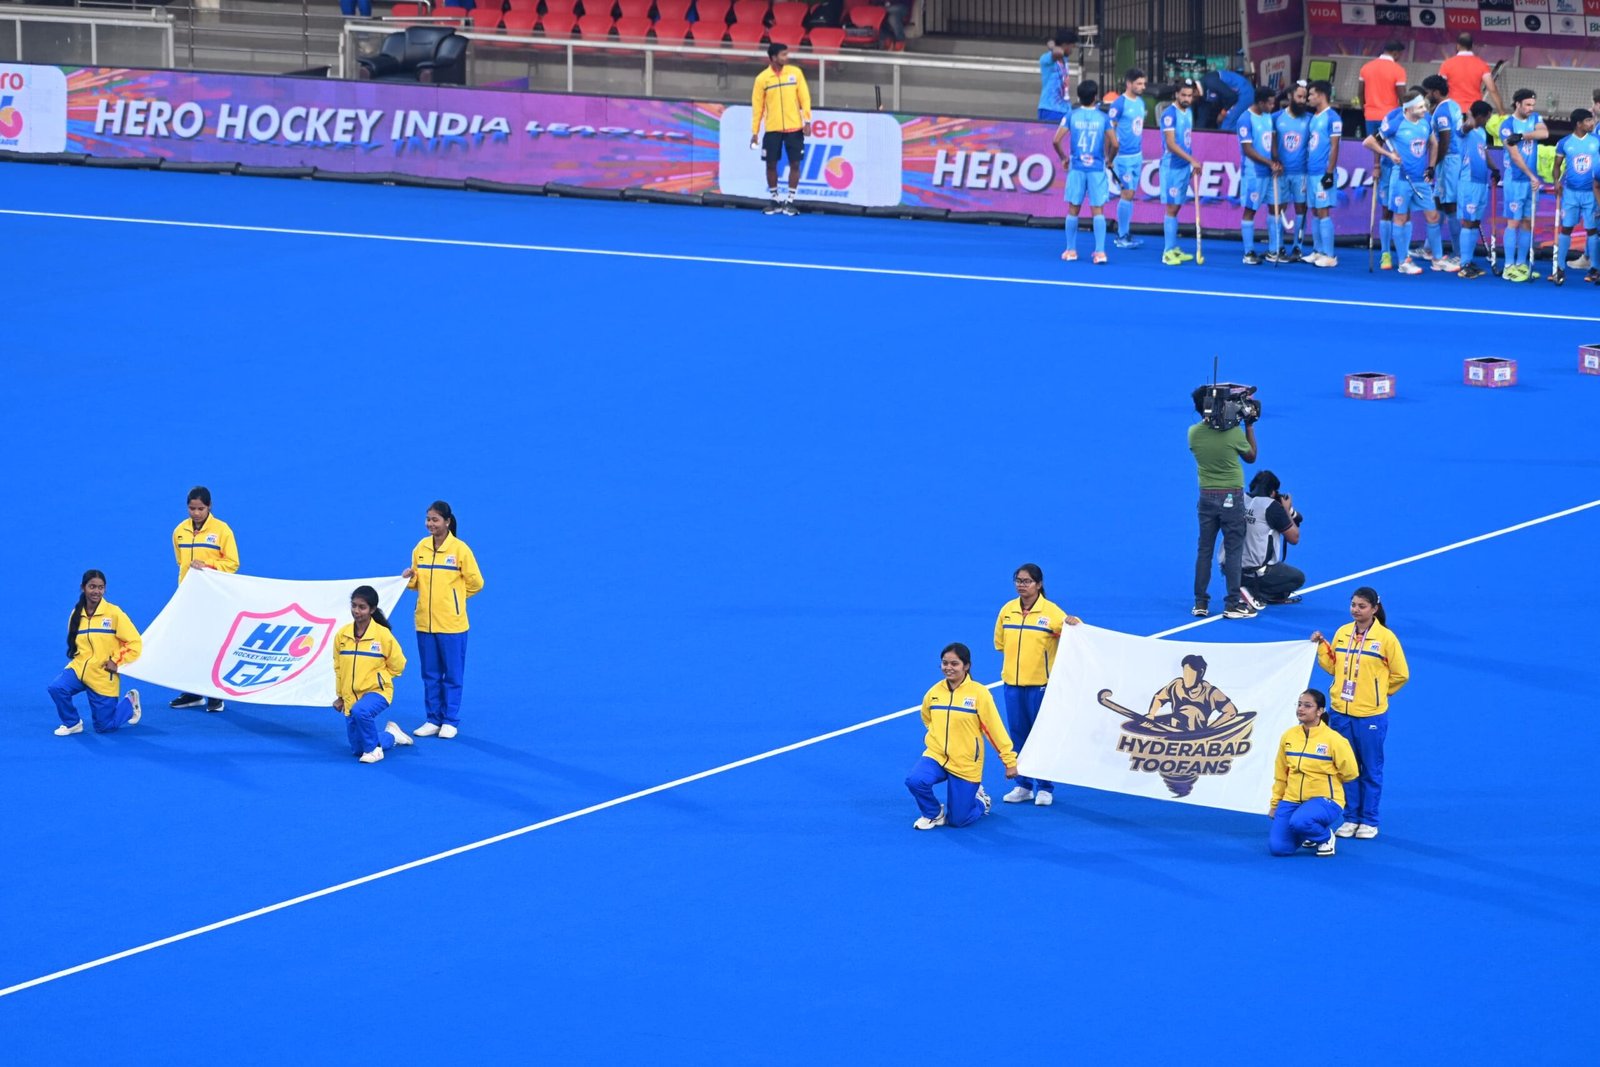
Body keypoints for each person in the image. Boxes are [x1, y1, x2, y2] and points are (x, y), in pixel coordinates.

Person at [1310, 586, 1409, 839]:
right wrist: (1321, 646)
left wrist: (1377, 694)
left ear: (1374, 609)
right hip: (1340, 713)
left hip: (1370, 716)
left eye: (1362, 606)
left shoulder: (1386, 638)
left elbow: (1401, 674)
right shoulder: (1343, 632)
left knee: (1371, 769)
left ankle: (1369, 820)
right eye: (1353, 605)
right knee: (1347, 768)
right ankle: (1351, 818)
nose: (1356, 610)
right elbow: (1332, 666)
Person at [993, 564, 1080, 807]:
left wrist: (1074, 622)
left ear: (1039, 584)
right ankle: (1023, 785)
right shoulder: (1007, 611)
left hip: (1040, 687)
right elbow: (1000, 643)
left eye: (1027, 581)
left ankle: (1045, 787)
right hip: (1012, 686)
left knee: (1042, 735)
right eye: (1018, 581)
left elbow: (1076, 633)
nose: (1022, 585)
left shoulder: (1051, 612)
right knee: (1018, 735)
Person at [905, 643, 1017, 830]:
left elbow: (994, 729)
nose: (948, 667)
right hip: (937, 755)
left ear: (966, 666)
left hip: (966, 762)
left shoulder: (979, 694)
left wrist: (1009, 761)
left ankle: (980, 801)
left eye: (954, 663)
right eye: (945, 663)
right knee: (915, 780)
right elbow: (927, 717)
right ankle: (933, 814)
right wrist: (938, 736)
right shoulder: (934, 693)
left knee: (958, 820)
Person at [402, 500, 484, 739]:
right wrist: (409, 577)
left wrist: (455, 599)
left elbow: (477, 583)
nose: (430, 524)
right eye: (428, 519)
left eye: (435, 520)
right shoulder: (421, 547)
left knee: (453, 674)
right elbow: (416, 583)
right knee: (430, 674)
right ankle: (433, 719)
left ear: (447, 521)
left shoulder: (460, 550)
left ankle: (450, 720)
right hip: (425, 623)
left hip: (452, 625)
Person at [1364, 92, 1456, 276]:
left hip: (1421, 180)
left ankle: (1437, 259)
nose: (1424, 109)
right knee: (1400, 218)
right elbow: (1369, 142)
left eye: (1424, 106)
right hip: (1401, 180)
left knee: (1433, 217)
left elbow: (1434, 143)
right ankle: (1403, 261)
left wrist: (1431, 167)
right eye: (1420, 107)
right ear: (1408, 108)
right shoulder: (1396, 123)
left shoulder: (1426, 121)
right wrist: (1389, 155)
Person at [1188, 384, 1257, 619]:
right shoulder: (1234, 434)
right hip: (1232, 497)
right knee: (1234, 551)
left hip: (1206, 497)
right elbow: (1251, 456)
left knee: (1204, 550)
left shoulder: (1193, 433)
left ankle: (1200, 603)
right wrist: (1249, 425)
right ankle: (1232, 604)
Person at [169, 485, 240, 713]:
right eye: (192, 508)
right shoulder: (179, 531)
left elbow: (232, 563)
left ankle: (215, 695)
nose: (196, 513)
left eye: (200, 508)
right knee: (190, 644)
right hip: (188, 597)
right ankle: (194, 692)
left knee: (213, 644)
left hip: (213, 599)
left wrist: (207, 565)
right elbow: (180, 561)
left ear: (209, 507)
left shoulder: (222, 531)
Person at [48, 569, 143, 736]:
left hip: (102, 675)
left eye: (101, 587)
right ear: (83, 587)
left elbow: (134, 642)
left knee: (104, 727)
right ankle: (73, 723)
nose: (96, 591)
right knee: (57, 688)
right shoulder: (76, 614)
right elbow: (74, 642)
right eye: (92, 586)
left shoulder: (114, 613)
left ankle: (130, 702)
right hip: (79, 669)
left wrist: (116, 661)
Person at [1268, 689, 1358, 857]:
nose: (1301, 709)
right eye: (1299, 704)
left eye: (1307, 706)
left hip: (1326, 800)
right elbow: (1281, 774)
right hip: (1292, 799)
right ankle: (1308, 831)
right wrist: (1275, 804)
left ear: (1320, 711)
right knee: (1279, 848)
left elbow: (1351, 773)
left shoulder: (1334, 740)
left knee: (1301, 821)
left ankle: (1325, 837)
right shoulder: (1289, 736)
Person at [333, 585, 412, 763]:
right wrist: (340, 696)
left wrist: (380, 679)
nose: (356, 611)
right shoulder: (342, 635)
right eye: (354, 606)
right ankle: (392, 735)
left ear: (372, 609)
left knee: (361, 711)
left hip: (378, 692)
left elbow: (398, 665)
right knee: (357, 749)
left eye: (362, 607)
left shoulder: (382, 635)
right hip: (351, 698)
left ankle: (374, 750)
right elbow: (338, 668)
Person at [749, 42, 812, 217]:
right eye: (783, 55)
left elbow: (805, 98)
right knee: (770, 164)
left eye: (787, 54)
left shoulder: (795, 73)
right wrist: (755, 132)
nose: (787, 57)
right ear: (773, 57)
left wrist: (807, 121)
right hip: (772, 129)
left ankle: (790, 201)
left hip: (794, 128)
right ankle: (775, 199)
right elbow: (758, 108)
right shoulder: (762, 79)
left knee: (795, 164)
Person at [1360, 41, 1407, 269]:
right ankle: (1392, 253)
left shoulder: (1366, 67)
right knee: (1396, 207)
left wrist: (1368, 108)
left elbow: (1360, 95)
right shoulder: (1398, 70)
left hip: (1370, 115)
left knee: (1376, 147)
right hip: (1390, 118)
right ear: (1396, 52)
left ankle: (1388, 254)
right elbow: (1403, 100)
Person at [1227, 470, 1304, 610]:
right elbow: (1294, 538)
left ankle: (1242, 585)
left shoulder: (1239, 499)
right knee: (1298, 578)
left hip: (1230, 565)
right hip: (1255, 570)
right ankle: (1253, 592)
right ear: (1273, 492)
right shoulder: (1271, 507)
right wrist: (1286, 510)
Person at [1055, 80, 1112, 264]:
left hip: (1077, 168)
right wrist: (1110, 159)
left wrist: (1064, 158)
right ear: (1095, 97)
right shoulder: (1103, 118)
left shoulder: (1071, 116)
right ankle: (1100, 252)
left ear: (1079, 97)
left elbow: (1056, 140)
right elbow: (1115, 143)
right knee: (1098, 210)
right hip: (1096, 169)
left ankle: (1071, 250)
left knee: (1073, 209)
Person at [1499, 88, 1550, 283]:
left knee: (1527, 222)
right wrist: (1531, 176)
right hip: (1516, 180)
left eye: (1532, 105)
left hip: (1530, 181)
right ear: (1517, 104)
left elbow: (1544, 133)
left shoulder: (1535, 118)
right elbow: (1515, 156)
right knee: (1513, 222)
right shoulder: (1506, 126)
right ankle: (1508, 267)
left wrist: (1521, 136)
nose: (1531, 108)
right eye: (1527, 105)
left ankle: (1521, 264)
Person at [1550, 109, 1599, 287]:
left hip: (1591, 193)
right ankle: (1560, 267)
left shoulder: (1597, 140)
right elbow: (1557, 166)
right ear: (1579, 124)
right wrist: (1556, 181)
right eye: (1588, 121)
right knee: (1566, 229)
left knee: (1592, 230)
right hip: (1570, 193)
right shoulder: (1564, 143)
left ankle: (1595, 268)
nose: (1591, 123)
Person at [1235, 85, 1282, 266]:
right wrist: (1269, 163)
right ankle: (1248, 252)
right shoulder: (1245, 120)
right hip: (1254, 173)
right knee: (1250, 210)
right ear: (1260, 102)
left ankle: (1274, 250)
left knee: (1274, 208)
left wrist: (1277, 161)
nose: (1272, 106)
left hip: (1269, 173)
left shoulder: (1268, 116)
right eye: (1269, 103)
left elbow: (1272, 141)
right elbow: (1248, 150)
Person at [1424, 75, 1465, 264]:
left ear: (1435, 92)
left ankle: (1459, 254)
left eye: (1428, 92)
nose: (1426, 96)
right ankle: (1429, 248)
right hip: (1450, 160)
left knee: (1449, 205)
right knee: (1439, 202)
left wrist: (1433, 165)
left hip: (1448, 161)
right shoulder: (1453, 105)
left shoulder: (1441, 112)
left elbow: (1445, 140)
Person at [1159, 79, 1201, 266]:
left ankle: (1173, 247)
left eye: (1189, 95)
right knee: (1171, 208)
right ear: (1176, 94)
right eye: (1183, 95)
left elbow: (1187, 141)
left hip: (1184, 167)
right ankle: (1167, 252)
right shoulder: (1169, 114)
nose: (1186, 99)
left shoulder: (1188, 112)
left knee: (1176, 208)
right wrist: (1192, 160)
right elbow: (1171, 144)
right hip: (1172, 168)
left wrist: (1191, 163)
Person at [1455, 101, 1497, 280]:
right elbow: (1465, 128)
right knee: (1467, 222)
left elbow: (1484, 154)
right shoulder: (1464, 129)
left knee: (1474, 222)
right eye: (1487, 117)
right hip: (1468, 182)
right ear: (1480, 116)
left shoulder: (1481, 133)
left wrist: (1494, 169)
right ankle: (1464, 264)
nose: (1487, 121)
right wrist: (1470, 117)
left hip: (1481, 182)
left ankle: (1469, 260)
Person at [1106, 67, 1148, 249]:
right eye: (1139, 83)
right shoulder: (1118, 104)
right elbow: (1109, 131)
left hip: (1137, 155)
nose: (1143, 87)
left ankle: (1125, 232)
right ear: (1129, 84)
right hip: (1122, 157)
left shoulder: (1141, 103)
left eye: (1144, 83)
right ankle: (1121, 236)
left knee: (1130, 195)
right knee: (1127, 193)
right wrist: (1109, 156)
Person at [1271, 82, 1312, 263]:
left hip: (1301, 173)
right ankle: (1278, 246)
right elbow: (1269, 142)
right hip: (1281, 173)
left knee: (1301, 208)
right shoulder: (1276, 118)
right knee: (1278, 208)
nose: (1302, 101)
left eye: (1305, 97)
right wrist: (1273, 161)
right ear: (1290, 96)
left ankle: (1297, 246)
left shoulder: (1310, 119)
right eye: (1299, 97)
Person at [1306, 79, 1343, 267]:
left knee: (1323, 211)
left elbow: (1335, 146)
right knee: (1314, 211)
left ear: (1321, 95)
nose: (1309, 98)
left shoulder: (1332, 118)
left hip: (1323, 172)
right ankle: (1317, 251)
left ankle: (1329, 255)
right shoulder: (1314, 117)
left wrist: (1329, 173)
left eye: (1311, 94)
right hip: (1311, 172)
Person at [1439, 33, 1503, 114]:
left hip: (1453, 110)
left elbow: (1439, 88)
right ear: (1472, 46)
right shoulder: (1482, 64)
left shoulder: (1446, 64)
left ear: (1457, 46)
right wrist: (1502, 112)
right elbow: (1492, 89)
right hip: (1474, 111)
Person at [1197, 67, 1252, 132]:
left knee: (1227, 125)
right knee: (1220, 124)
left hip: (1243, 92)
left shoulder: (1210, 82)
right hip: (1232, 96)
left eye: (1189, 96)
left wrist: (1222, 113)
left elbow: (1232, 97)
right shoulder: (1202, 91)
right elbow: (1202, 116)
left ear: (1195, 91)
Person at [1037, 29, 1073, 123]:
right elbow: (1058, 52)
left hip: (1065, 109)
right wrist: (1053, 45)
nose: (1072, 50)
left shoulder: (1065, 59)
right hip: (1050, 109)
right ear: (1065, 45)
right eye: (1071, 46)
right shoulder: (1046, 59)